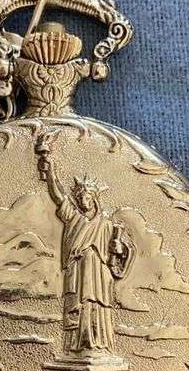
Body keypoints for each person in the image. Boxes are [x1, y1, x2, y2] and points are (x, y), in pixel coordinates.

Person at [36, 131, 128, 354]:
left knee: (98, 304)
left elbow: (119, 255)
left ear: (94, 198)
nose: (82, 201)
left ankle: (100, 345)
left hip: (99, 274)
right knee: (79, 304)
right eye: (79, 198)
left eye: (86, 197)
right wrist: (50, 169)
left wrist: (119, 250)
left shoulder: (106, 224)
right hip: (78, 271)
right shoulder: (73, 217)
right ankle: (76, 346)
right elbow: (57, 195)